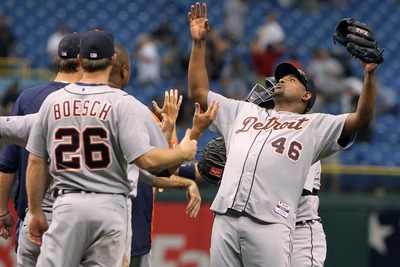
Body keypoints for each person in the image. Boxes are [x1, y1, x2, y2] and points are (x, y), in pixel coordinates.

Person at [187, 2, 379, 266]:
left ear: (306, 95)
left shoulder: (314, 126)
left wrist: (369, 76)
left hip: (273, 223)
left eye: (291, 79)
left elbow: (362, 118)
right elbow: (198, 93)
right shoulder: (244, 112)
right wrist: (198, 44)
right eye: (281, 77)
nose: (282, 80)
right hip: (225, 217)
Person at [25, 30, 198, 267]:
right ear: (115, 62)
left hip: (67, 204)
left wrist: (35, 211)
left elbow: (36, 161)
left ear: (79, 60)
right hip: (110, 207)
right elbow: (153, 165)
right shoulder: (127, 105)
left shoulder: (52, 102)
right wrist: (182, 151)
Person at [0, 32, 83, 256]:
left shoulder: (28, 98)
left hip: (32, 215)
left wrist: (1, 211)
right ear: (83, 60)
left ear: (58, 57)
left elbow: (8, 164)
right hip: (77, 217)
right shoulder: (93, 102)